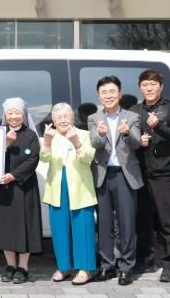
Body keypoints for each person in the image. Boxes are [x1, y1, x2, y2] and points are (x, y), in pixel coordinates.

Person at [0, 98, 42, 284]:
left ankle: (23, 268)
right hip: (1, 189)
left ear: (24, 114)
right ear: (5, 114)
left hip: (23, 188)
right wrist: (5, 144)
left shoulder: (31, 135)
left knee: (24, 228)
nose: (13, 117)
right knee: (5, 228)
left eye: (17, 113)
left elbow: (33, 160)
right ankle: (10, 265)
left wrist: (14, 175)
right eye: (10, 113)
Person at [88, 75, 142, 286]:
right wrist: (101, 136)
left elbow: (136, 143)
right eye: (104, 92)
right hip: (102, 175)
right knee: (104, 224)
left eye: (112, 91)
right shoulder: (94, 118)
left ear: (119, 94)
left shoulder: (131, 116)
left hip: (125, 175)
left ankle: (126, 267)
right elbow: (94, 143)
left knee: (126, 223)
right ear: (98, 96)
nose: (108, 96)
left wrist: (127, 133)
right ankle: (107, 265)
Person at [133, 69, 170, 283]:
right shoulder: (135, 110)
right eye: (145, 84)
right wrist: (138, 141)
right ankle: (145, 260)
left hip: (163, 172)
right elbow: (128, 139)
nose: (149, 88)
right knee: (142, 219)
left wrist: (158, 126)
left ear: (161, 87)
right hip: (140, 172)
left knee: (166, 220)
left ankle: (169, 264)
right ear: (140, 88)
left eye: (153, 84)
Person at [40, 102, 97, 285]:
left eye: (66, 116)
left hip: (80, 186)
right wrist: (46, 141)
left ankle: (85, 269)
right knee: (59, 228)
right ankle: (63, 267)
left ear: (73, 118)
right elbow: (44, 158)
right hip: (57, 185)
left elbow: (88, 158)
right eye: (59, 117)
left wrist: (76, 142)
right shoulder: (50, 135)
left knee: (83, 227)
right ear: (53, 120)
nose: (63, 120)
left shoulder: (84, 134)